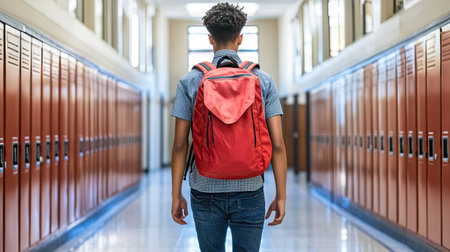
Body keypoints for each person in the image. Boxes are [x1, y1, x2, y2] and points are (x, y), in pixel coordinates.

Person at [170, 3, 287, 251]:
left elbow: (180, 144)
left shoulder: (190, 81)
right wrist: (281, 195)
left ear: (210, 38)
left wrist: (175, 194)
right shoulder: (263, 81)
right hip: (250, 187)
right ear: (241, 38)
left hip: (204, 187)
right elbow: (277, 144)